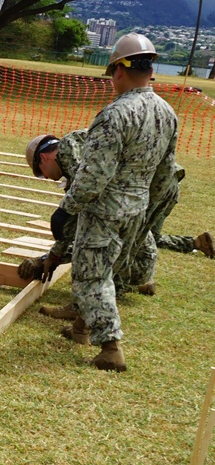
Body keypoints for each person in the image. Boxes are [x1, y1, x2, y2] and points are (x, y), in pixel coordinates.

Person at [55, 33, 178, 371]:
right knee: (105, 269)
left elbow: (94, 176)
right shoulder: (167, 113)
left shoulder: (116, 114)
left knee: (91, 276)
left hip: (105, 210)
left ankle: (111, 348)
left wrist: (66, 208)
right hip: (136, 208)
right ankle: (82, 327)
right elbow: (165, 172)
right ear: (149, 70)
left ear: (119, 70)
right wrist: (146, 207)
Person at [21, 130, 213, 292]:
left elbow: (83, 227)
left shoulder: (69, 151)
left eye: (41, 172)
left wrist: (49, 258)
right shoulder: (78, 145)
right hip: (163, 180)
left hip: (149, 186)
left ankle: (111, 292)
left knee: (118, 239)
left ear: (44, 158)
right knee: (144, 236)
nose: (46, 178)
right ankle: (194, 243)